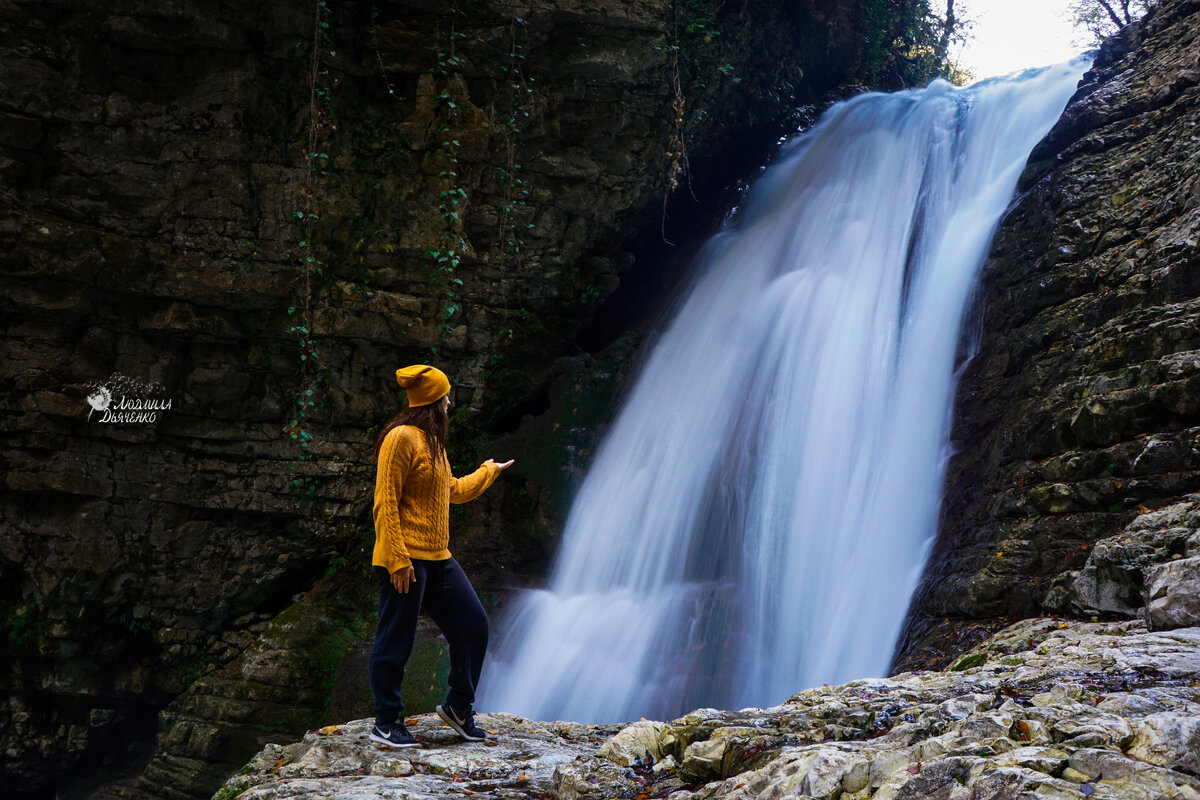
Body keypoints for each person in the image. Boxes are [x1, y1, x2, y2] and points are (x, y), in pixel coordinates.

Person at [368, 364, 513, 748]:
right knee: (396, 638)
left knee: (473, 625)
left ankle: (459, 708)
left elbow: (451, 490)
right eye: (446, 397)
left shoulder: (432, 443)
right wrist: (397, 559)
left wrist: (488, 471)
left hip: (438, 557)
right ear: (433, 402)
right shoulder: (401, 438)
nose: (450, 402)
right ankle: (386, 720)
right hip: (406, 559)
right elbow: (385, 501)